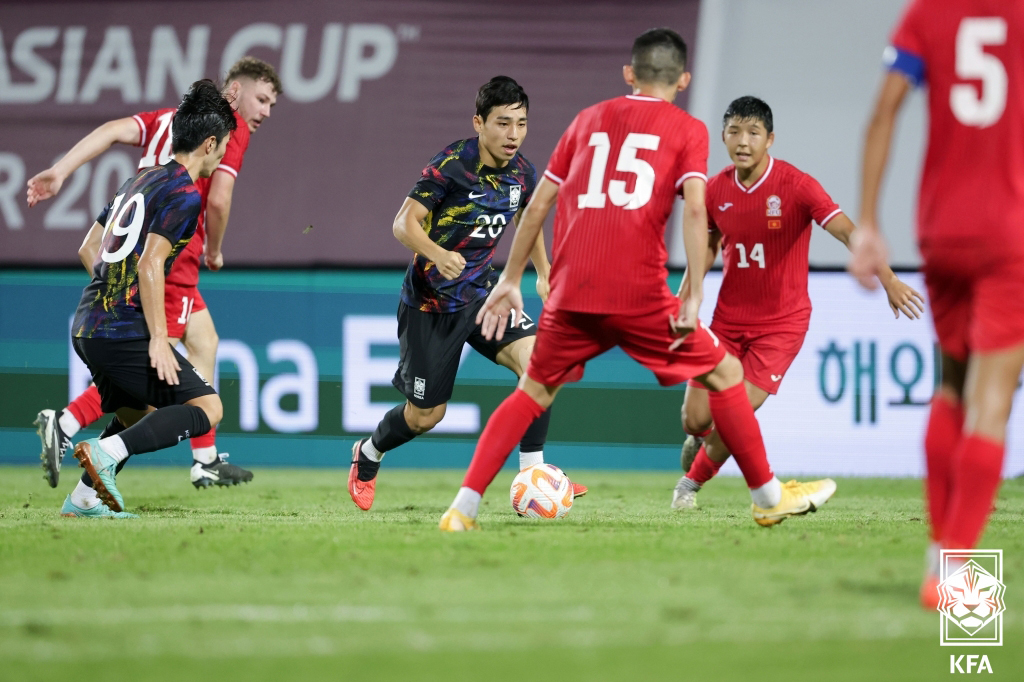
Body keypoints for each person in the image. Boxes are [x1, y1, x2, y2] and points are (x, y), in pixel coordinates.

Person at [438, 28, 837, 532]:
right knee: (727, 377)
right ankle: (767, 497)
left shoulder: (587, 120)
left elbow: (538, 203)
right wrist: (692, 288)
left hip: (572, 289)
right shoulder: (686, 129)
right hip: (640, 293)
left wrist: (512, 278)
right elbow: (696, 209)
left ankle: (462, 509)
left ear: (629, 74)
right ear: (684, 80)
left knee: (532, 392)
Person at [28, 57, 281, 492]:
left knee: (199, 348)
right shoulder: (221, 135)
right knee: (167, 383)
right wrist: (214, 252)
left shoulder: (150, 154)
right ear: (232, 96)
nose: (264, 112)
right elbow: (216, 202)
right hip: (169, 257)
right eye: (261, 99)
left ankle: (192, 461)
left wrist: (61, 171)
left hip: (103, 300)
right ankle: (69, 425)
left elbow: (109, 134)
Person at [849, 0, 1024, 609]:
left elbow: (883, 114)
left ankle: (934, 555)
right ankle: (952, 571)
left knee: (949, 383)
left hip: (941, 227)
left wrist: (868, 223)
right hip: (1009, 230)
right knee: (993, 402)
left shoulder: (928, 13)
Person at [670, 96, 924, 509]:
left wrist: (889, 278)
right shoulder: (715, 190)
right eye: (735, 131)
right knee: (695, 418)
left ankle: (689, 485)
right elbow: (708, 244)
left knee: (736, 413)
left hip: (780, 325)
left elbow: (846, 232)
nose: (744, 141)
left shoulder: (796, 185)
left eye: (754, 132)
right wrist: (687, 299)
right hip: (728, 322)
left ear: (770, 139)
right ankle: (699, 438)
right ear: (723, 136)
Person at [348, 76, 586, 511]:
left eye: (521, 123)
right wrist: (437, 253)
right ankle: (368, 453)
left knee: (541, 364)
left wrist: (543, 272)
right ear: (479, 122)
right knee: (425, 416)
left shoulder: (522, 173)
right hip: (431, 304)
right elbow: (404, 224)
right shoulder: (452, 165)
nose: (513, 134)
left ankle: (533, 472)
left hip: (483, 297)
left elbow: (527, 223)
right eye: (502, 123)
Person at [61, 79, 235, 518]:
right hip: (120, 330)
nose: (224, 156)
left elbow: (88, 248)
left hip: (88, 324)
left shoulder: (140, 178)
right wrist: (159, 337)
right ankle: (104, 454)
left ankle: (83, 497)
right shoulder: (184, 193)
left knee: (139, 411)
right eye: (225, 147)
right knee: (207, 407)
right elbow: (150, 263)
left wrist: (114, 294)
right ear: (209, 143)